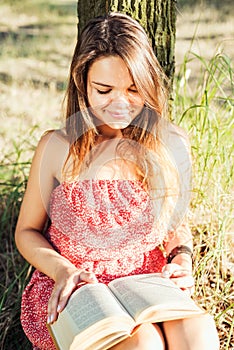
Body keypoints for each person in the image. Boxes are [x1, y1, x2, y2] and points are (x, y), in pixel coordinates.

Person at [15, 12, 219, 350]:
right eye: (104, 90)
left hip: (145, 281)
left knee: (199, 333)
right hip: (80, 285)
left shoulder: (171, 143)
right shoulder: (57, 147)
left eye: (133, 89)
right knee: (145, 344)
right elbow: (26, 231)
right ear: (82, 83)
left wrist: (181, 257)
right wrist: (63, 270)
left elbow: (174, 224)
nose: (120, 103)